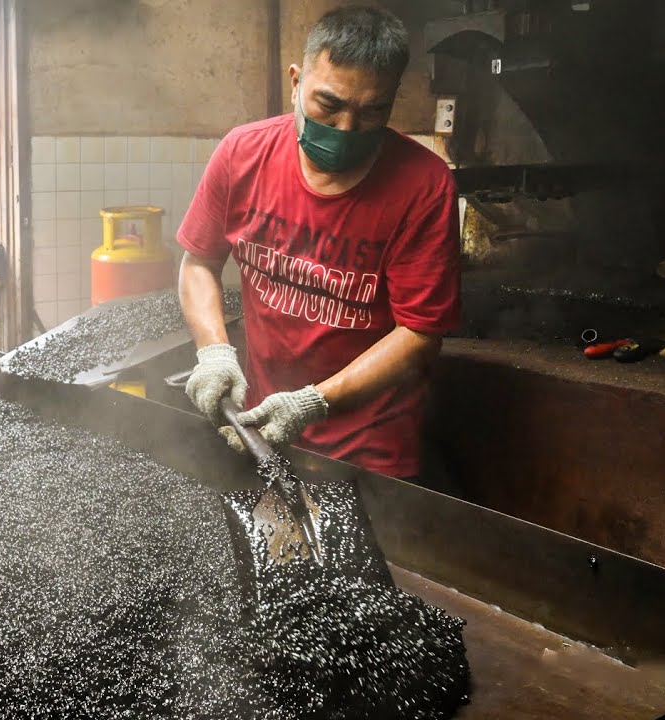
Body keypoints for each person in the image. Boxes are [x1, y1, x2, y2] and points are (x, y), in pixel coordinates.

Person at [177, 5, 461, 487]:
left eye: (372, 111)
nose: (347, 128)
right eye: (328, 105)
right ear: (296, 80)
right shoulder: (242, 153)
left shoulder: (424, 185)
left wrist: (314, 402)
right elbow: (199, 262)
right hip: (262, 429)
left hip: (370, 452)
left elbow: (420, 333)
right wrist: (215, 352)